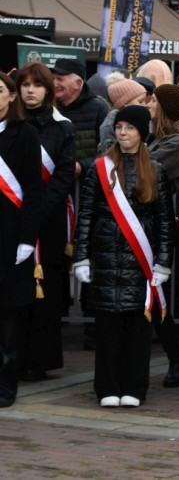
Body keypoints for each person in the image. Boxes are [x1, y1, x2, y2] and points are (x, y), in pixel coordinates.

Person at [72, 105, 174, 407]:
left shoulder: (156, 170)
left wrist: (163, 261)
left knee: (137, 330)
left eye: (130, 128)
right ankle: (106, 388)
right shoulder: (99, 168)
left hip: (139, 262)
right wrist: (81, 257)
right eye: (119, 127)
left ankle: (134, 387)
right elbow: (86, 214)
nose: (122, 133)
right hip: (105, 261)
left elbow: (165, 221)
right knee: (107, 331)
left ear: (142, 132)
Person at [15, 64, 75, 382]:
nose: (30, 90)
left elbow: (64, 175)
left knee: (46, 293)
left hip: (48, 224)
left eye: (37, 85)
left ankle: (40, 360)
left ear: (48, 89)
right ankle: (14, 355)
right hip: (13, 221)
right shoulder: (9, 126)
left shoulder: (63, 128)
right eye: (24, 85)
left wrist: (38, 212)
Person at [146, 84, 179, 388]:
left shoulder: (177, 143)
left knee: (161, 299)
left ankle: (176, 358)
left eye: (152, 101)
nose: (148, 105)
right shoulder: (155, 139)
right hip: (145, 228)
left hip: (161, 230)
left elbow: (142, 174)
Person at [0, 72, 45, 408]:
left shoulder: (25, 134)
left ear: (12, 96)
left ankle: (6, 382)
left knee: (10, 315)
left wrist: (27, 238)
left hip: (11, 236)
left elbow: (32, 189)